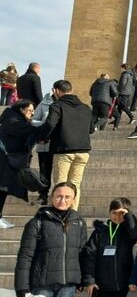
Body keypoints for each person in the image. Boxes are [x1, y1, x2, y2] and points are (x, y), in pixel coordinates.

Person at [14, 182, 89, 297]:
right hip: (43, 286)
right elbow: (25, 256)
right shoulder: (37, 222)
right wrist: (21, 286)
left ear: (74, 199)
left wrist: (82, 279)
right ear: (51, 197)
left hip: (67, 286)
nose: (63, 200)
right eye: (59, 196)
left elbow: (81, 252)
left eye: (67, 197)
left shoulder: (79, 222)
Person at [80, 197, 137, 297]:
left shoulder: (128, 231)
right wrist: (90, 281)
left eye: (121, 213)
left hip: (121, 284)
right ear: (109, 213)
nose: (117, 216)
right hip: (100, 285)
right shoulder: (100, 231)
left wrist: (129, 216)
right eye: (114, 212)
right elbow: (89, 256)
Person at [38, 79, 92, 210]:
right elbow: (91, 129)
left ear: (56, 91)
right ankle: (73, 212)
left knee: (60, 184)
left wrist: (43, 137)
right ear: (71, 90)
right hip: (83, 150)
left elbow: (50, 124)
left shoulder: (57, 105)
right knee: (75, 184)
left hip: (63, 150)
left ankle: (58, 213)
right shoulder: (85, 107)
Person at [0, 99, 45, 227]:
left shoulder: (14, 118)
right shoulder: (13, 121)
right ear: (21, 109)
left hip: (7, 160)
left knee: (3, 189)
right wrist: (46, 126)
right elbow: (28, 130)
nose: (32, 113)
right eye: (30, 110)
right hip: (4, 161)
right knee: (2, 189)